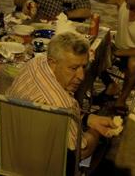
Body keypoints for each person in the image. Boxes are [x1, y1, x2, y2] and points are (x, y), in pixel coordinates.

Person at [7, 32, 118, 160]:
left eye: (84, 66)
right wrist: (96, 132)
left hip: (9, 146)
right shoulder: (62, 105)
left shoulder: (36, 62)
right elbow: (81, 152)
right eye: (73, 68)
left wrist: (89, 118)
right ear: (53, 63)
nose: (81, 76)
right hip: (39, 162)